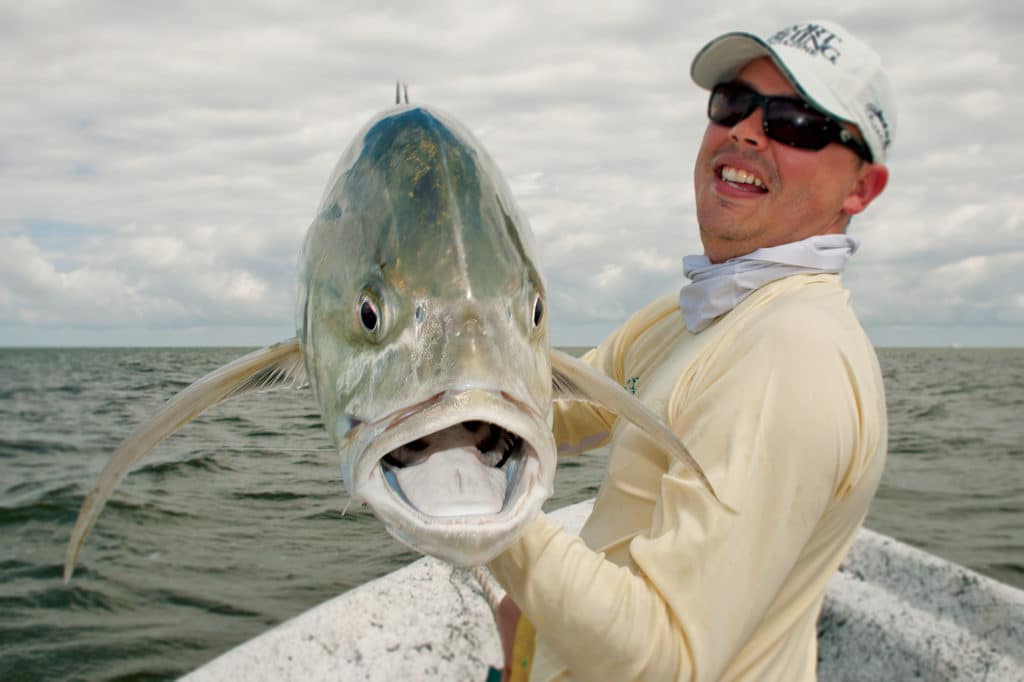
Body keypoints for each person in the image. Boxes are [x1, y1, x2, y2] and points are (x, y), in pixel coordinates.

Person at [488, 19, 895, 682]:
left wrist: (481, 511)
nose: (746, 130)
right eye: (734, 103)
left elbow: (666, 657)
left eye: (796, 122)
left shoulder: (794, 355)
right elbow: (550, 408)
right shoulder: (693, 316)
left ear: (860, 189)